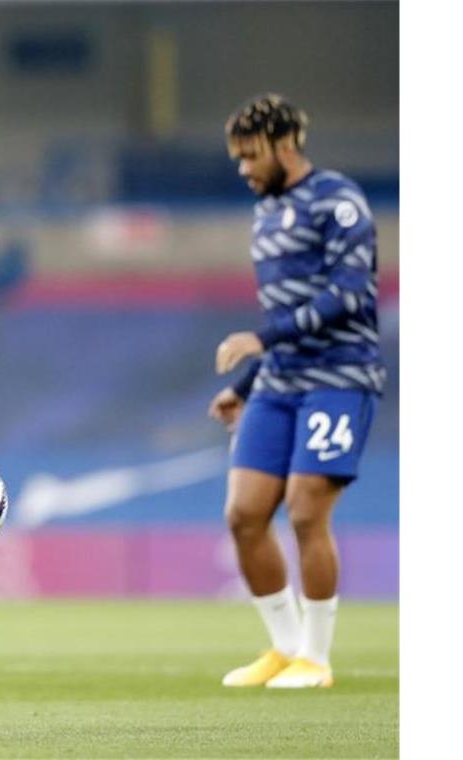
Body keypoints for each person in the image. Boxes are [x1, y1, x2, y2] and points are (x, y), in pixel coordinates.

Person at [208, 94, 384, 689]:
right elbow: (285, 310)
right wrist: (247, 383)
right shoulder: (266, 215)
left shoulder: (337, 201)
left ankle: (317, 657)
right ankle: (283, 648)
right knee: (244, 515)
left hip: (339, 378)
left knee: (308, 509)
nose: (244, 169)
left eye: (251, 156)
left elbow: (350, 295)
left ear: (286, 146)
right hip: (279, 383)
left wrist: (262, 340)